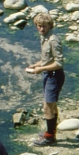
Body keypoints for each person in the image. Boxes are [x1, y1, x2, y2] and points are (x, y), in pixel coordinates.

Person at [26, 11, 64, 146]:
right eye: (39, 26)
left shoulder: (53, 40)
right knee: (51, 106)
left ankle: (49, 137)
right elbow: (47, 59)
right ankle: (51, 131)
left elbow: (59, 63)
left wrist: (41, 69)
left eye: (44, 26)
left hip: (54, 76)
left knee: (47, 107)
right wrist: (36, 65)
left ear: (50, 26)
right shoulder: (44, 38)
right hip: (48, 74)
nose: (41, 29)